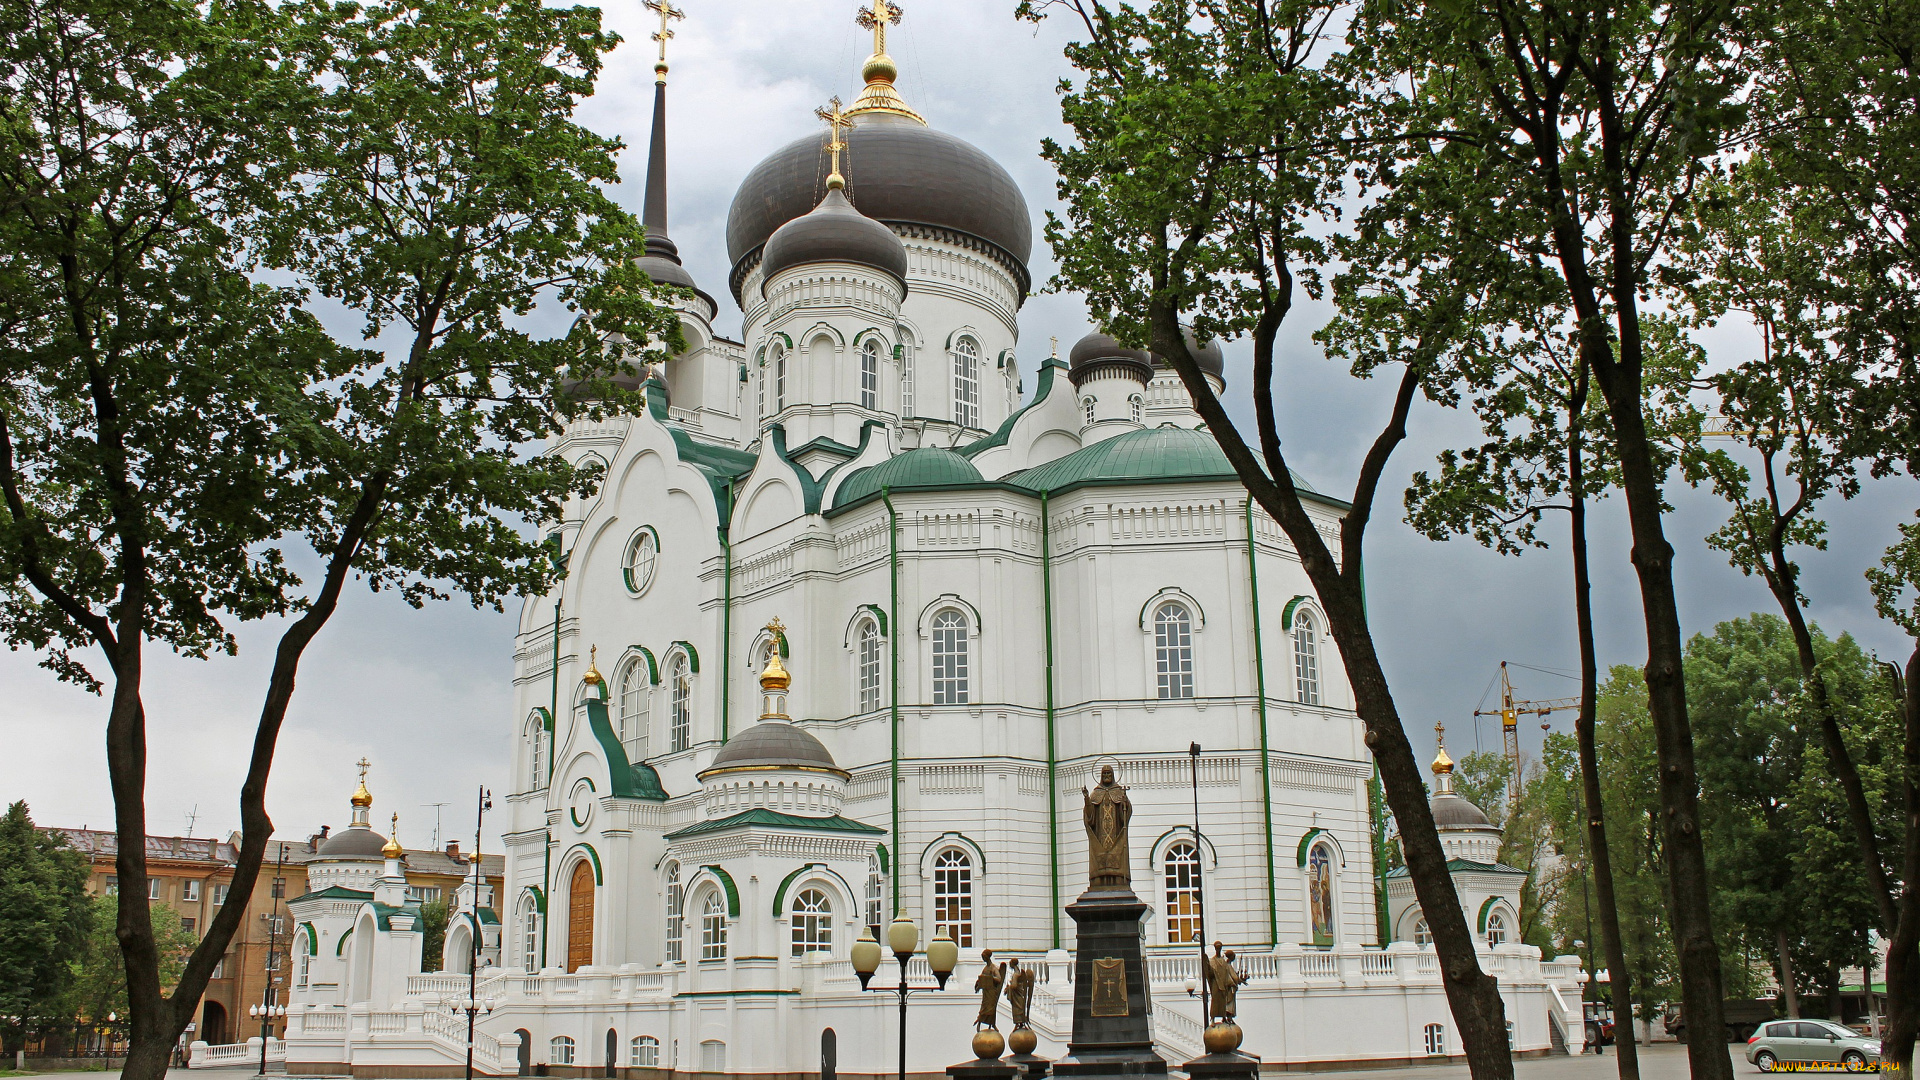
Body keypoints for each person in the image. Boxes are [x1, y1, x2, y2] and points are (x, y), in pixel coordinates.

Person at [974, 949, 1006, 1029]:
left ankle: (991, 1024)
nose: (983, 959)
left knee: (991, 1008)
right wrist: (978, 984)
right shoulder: (986, 968)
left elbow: (999, 978)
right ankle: (980, 1021)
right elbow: (981, 979)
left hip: (991, 992)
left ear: (988, 957)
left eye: (983, 957)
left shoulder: (993, 968)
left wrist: (990, 978)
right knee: (984, 1007)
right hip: (986, 992)